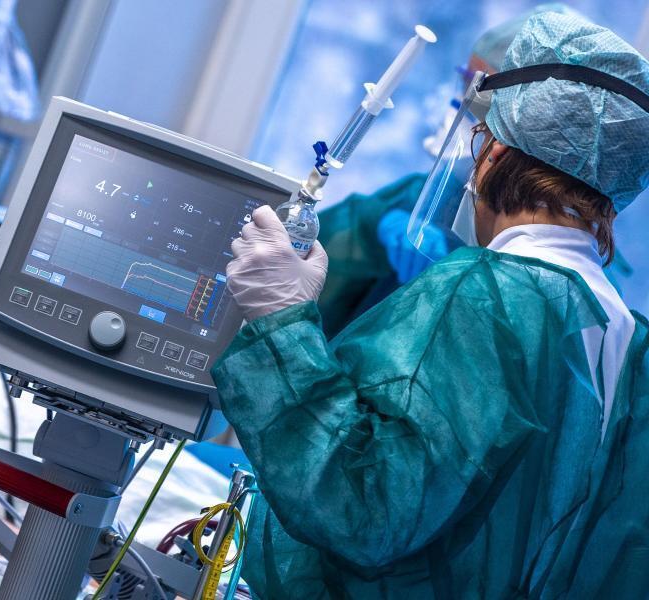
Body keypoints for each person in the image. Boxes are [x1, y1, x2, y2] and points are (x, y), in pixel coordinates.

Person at [213, 11, 649, 599]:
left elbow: (360, 509)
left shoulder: (486, 294)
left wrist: (279, 324)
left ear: (492, 156)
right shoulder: (625, 336)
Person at [316, 3, 633, 338]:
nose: (462, 108)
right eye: (465, 84)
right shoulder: (429, 196)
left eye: (478, 97)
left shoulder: (569, 279)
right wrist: (374, 227)